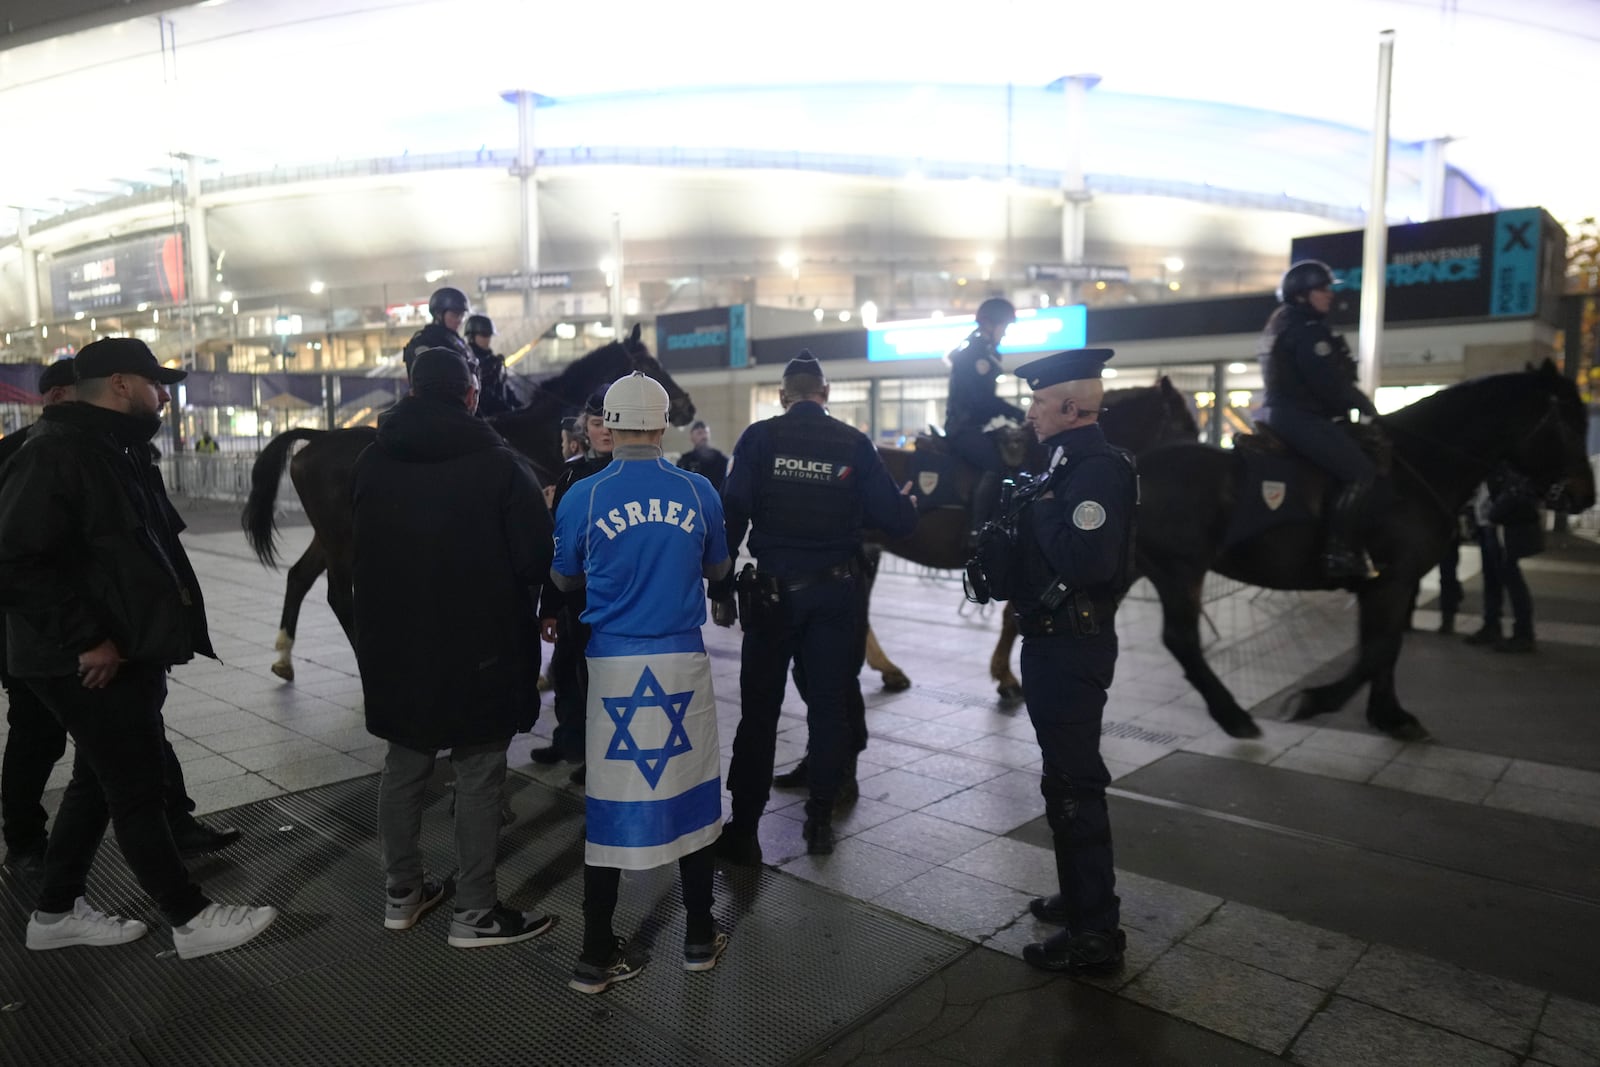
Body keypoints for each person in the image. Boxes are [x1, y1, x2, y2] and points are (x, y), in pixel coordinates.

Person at [0, 337, 276, 958]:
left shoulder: (110, 449)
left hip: (119, 651)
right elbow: (14, 561)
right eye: (156, 384)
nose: (165, 395)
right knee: (136, 786)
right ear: (121, 384)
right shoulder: (57, 453)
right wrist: (87, 638)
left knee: (100, 782)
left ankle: (55, 912)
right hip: (83, 659)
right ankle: (189, 917)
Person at [352, 348, 557, 948]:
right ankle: (475, 914)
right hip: (481, 648)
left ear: (412, 392)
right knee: (478, 775)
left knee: (405, 767)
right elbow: (535, 561)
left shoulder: (372, 461)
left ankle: (402, 894)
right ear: (471, 396)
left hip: (396, 643)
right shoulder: (500, 466)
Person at [550, 372, 732, 994]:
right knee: (693, 795)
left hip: (614, 666)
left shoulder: (584, 496)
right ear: (660, 424)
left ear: (610, 422)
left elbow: (567, 580)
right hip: (681, 661)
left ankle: (595, 950)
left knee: (610, 804)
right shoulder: (698, 489)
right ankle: (700, 936)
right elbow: (718, 567)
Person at [713, 352, 918, 860]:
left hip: (772, 596)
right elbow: (895, 520)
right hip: (835, 595)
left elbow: (731, 515)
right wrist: (907, 505)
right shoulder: (854, 443)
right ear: (825, 396)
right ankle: (820, 822)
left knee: (759, 712)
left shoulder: (759, 439)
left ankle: (744, 830)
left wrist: (718, 588)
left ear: (784, 397)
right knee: (828, 709)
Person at [1007, 347, 1137, 975]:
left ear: (1068, 406)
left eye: (1036, 401)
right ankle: (1079, 896)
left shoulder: (1094, 471)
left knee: (1075, 786)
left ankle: (1095, 932)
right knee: (1061, 780)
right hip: (1053, 639)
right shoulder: (1063, 461)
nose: (1030, 413)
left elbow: (1089, 564)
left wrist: (1040, 506)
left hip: (1073, 644)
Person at [1256, 260, 1381, 580]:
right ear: (1301, 296)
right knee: (1362, 473)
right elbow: (1328, 384)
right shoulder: (1308, 332)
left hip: (1284, 413)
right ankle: (1340, 552)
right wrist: (1366, 408)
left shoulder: (1285, 323)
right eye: (1321, 289)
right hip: (1300, 416)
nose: (1329, 295)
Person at [532, 390, 615, 777]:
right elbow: (559, 544)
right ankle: (571, 742)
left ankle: (596, 755)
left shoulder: (630, 472)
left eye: (611, 422)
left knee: (598, 682)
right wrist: (549, 606)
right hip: (574, 599)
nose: (606, 431)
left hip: (610, 601)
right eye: (597, 423)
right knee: (567, 673)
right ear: (585, 428)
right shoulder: (571, 474)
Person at [944, 297, 1024, 545]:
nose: (1005, 333)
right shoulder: (975, 354)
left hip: (975, 425)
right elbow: (981, 401)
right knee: (995, 466)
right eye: (1005, 327)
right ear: (991, 324)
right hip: (962, 428)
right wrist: (1019, 414)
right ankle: (978, 531)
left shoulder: (985, 352)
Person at [1464, 465, 1542, 654]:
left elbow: (1513, 496)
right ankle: (1492, 626)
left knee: (1512, 581)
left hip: (1499, 530)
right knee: (1492, 580)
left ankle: (1523, 634)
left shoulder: (1506, 469)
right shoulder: (1489, 468)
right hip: (1487, 529)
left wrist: (1494, 514)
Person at [401, 287, 474, 378]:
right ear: (438, 314)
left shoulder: (458, 342)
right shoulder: (425, 341)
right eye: (455, 315)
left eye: (462, 315)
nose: (459, 320)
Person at [465, 314, 522, 416]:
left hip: (499, 410)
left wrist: (518, 406)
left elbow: (502, 386)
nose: (487, 339)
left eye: (489, 335)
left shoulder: (492, 359)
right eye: (484, 335)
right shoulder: (467, 358)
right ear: (471, 336)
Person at [676, 420, 729, 493]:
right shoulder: (685, 462)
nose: (704, 436)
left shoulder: (720, 459)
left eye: (706, 432)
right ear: (692, 437)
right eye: (699, 433)